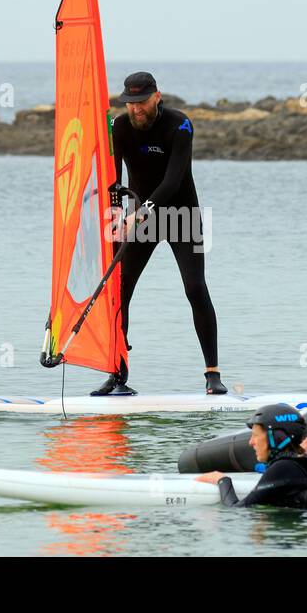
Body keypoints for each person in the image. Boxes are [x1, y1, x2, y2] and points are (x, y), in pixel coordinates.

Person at [95, 71, 226, 397]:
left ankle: (213, 374)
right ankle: (117, 374)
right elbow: (114, 179)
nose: (135, 109)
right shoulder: (119, 127)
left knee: (195, 288)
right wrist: (116, 216)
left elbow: (172, 180)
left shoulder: (180, 125)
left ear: (156, 96)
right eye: (129, 103)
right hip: (139, 218)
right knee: (119, 292)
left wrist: (140, 212)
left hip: (182, 214)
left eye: (141, 102)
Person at [195, 404, 307, 510]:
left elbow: (237, 509)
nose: (251, 442)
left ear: (276, 438)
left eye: (255, 435)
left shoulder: (282, 468)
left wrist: (222, 480)